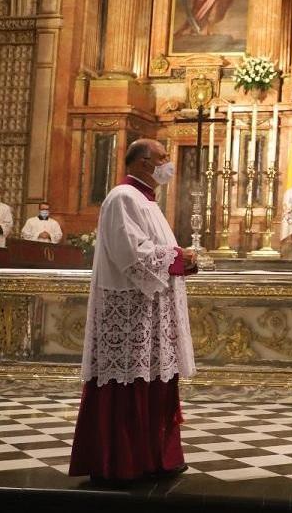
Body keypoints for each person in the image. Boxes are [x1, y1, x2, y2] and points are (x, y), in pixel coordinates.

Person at [69, 139, 197, 484]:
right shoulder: (123, 197)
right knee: (129, 382)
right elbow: (132, 254)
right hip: (129, 310)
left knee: (153, 380)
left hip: (148, 310)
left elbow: (155, 250)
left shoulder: (146, 200)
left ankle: (155, 458)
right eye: (162, 158)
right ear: (143, 163)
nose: (168, 164)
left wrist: (179, 259)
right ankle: (123, 462)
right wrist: (176, 259)